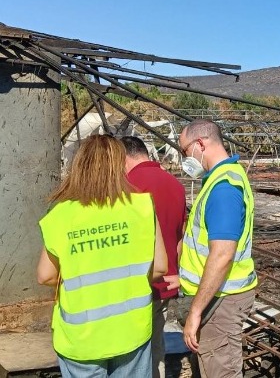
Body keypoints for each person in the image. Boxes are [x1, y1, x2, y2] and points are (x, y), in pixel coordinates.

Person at [36, 134, 168, 377]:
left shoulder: (60, 215)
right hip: (131, 330)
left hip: (81, 337)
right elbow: (160, 267)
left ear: (79, 166)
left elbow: (45, 276)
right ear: (119, 166)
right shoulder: (142, 207)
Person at [176, 119, 256, 377]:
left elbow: (222, 254)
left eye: (185, 151)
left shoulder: (223, 188)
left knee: (221, 370)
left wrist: (195, 312)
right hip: (216, 295)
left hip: (221, 300)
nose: (185, 158)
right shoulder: (221, 178)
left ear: (200, 144)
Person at [121, 136, 187, 378]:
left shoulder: (127, 186)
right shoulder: (175, 185)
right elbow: (180, 237)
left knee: (131, 352)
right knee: (156, 346)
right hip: (166, 281)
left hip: (135, 285)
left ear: (123, 158)